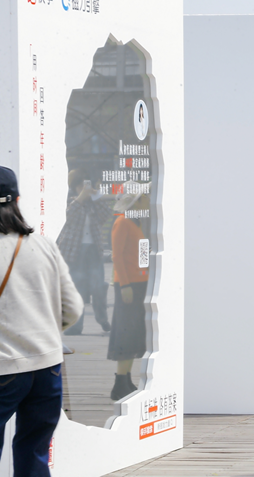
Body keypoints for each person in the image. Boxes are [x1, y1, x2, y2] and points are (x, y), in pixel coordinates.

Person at [0, 166, 84, 477]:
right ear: (17, 200)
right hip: (48, 366)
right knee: (34, 452)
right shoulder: (44, 244)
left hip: (4, 366)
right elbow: (72, 309)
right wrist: (43, 332)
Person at [56, 169, 113, 335]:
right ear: (74, 187)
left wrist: (96, 196)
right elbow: (69, 216)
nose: (84, 188)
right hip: (74, 251)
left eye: (86, 184)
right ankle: (75, 326)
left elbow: (106, 215)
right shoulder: (69, 201)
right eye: (80, 185)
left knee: (98, 287)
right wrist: (81, 198)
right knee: (77, 288)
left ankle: (102, 318)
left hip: (94, 249)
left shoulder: (93, 203)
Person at [108, 183, 150, 401]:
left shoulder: (136, 222)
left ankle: (125, 379)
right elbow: (117, 256)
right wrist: (124, 285)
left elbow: (141, 256)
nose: (148, 199)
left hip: (139, 283)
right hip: (129, 285)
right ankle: (120, 382)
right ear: (136, 201)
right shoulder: (122, 222)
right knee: (126, 331)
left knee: (133, 332)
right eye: (144, 196)